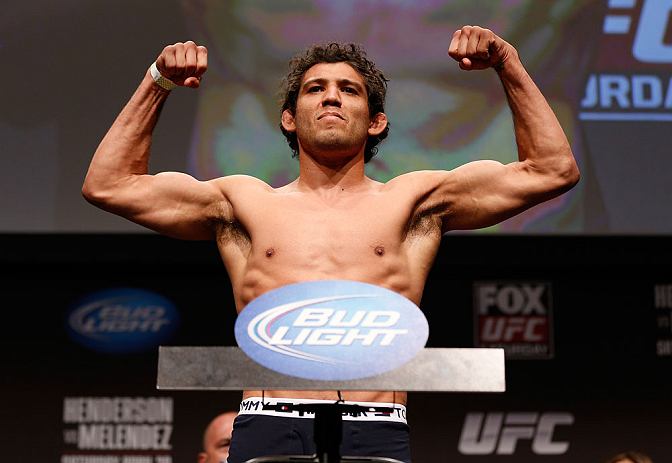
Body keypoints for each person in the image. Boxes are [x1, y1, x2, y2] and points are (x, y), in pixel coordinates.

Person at [83, 26, 579, 463]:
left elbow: (552, 170)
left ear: (377, 121)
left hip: (376, 425)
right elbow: (108, 184)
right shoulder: (241, 202)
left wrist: (508, 64)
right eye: (315, 89)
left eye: (349, 90)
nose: (331, 98)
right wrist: (158, 81)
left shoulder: (416, 202)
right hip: (269, 420)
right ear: (289, 119)